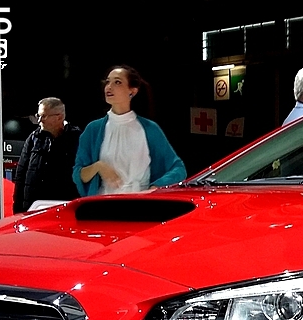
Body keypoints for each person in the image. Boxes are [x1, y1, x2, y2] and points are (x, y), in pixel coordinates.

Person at [73, 65, 187, 196]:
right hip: (103, 202)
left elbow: (178, 169)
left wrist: (156, 187)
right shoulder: (93, 130)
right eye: (108, 82)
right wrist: (98, 166)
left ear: (132, 91)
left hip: (140, 202)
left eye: (117, 82)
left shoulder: (150, 129)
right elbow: (78, 174)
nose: (109, 87)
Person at [12, 97, 82, 213]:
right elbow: (21, 174)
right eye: (38, 115)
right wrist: (18, 208)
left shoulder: (77, 139)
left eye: (44, 116)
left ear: (59, 117)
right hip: (33, 208)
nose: (39, 120)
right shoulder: (33, 138)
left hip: (65, 208)